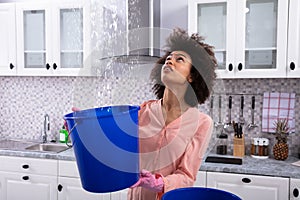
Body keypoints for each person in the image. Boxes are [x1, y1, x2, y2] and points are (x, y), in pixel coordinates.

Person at [128, 28, 217, 200]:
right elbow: (114, 141)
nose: (170, 61)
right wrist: (85, 127)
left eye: (179, 60)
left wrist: (159, 183)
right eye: (168, 58)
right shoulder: (143, 111)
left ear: (191, 76)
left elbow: (187, 175)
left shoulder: (201, 123)